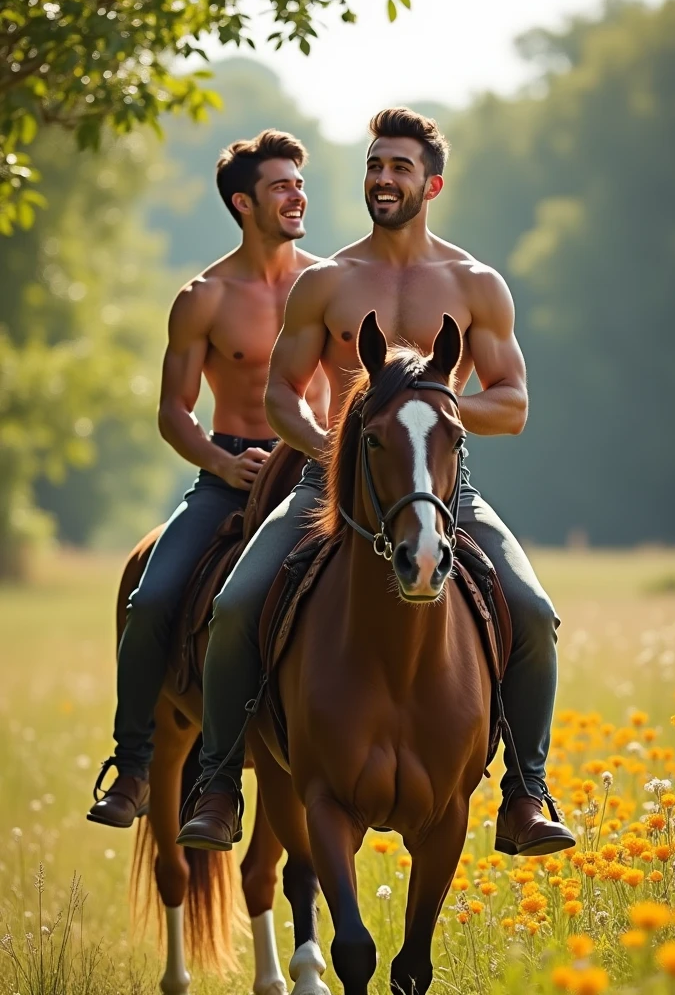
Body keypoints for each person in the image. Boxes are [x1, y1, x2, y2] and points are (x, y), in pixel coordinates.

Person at [177, 108, 575, 857]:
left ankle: (526, 792)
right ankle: (221, 783)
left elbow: (514, 402)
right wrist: (335, 444)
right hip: (330, 483)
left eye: (399, 168)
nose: (383, 179)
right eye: (374, 166)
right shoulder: (326, 282)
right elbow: (281, 395)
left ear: (433, 184)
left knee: (536, 614)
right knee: (232, 607)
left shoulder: (476, 283)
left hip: (445, 494)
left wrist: (432, 411)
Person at [88, 129, 327, 828]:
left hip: (316, 476)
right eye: (281, 185)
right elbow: (172, 411)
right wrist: (221, 463)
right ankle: (132, 767)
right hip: (229, 473)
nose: (297, 194)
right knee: (154, 600)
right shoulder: (204, 297)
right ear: (243, 202)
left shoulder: (328, 283)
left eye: (299, 183)